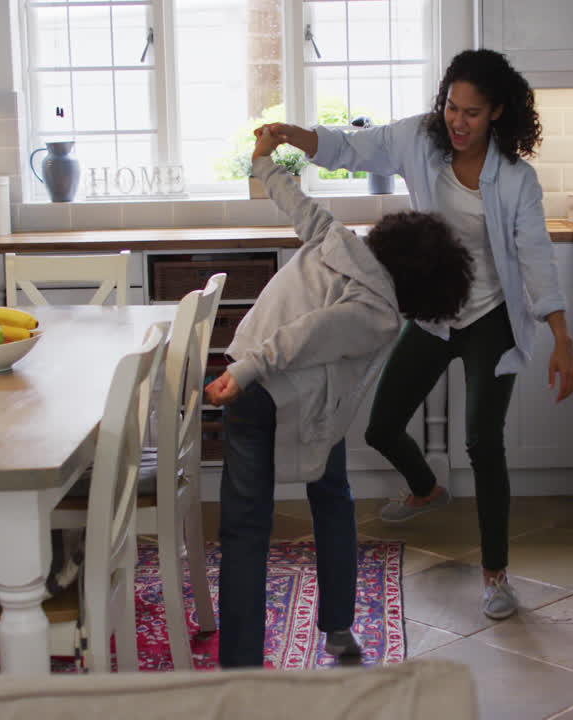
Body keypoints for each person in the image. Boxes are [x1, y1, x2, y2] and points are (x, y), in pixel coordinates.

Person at [254, 48, 573, 620]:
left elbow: (533, 256)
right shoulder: (419, 140)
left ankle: (496, 576)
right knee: (381, 425)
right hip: (434, 312)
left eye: (472, 113)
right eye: (452, 107)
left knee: (482, 441)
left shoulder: (516, 179)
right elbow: (353, 148)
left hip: (490, 317)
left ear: (498, 113)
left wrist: (561, 335)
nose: (458, 121)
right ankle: (427, 487)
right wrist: (291, 135)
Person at [206, 127, 473, 668]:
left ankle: (241, 667)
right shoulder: (377, 312)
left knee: (245, 526)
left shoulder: (336, 238)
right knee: (330, 501)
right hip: (272, 391)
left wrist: (265, 164)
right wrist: (253, 370)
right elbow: (312, 331)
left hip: (262, 384)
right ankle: (336, 630)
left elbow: (296, 203)